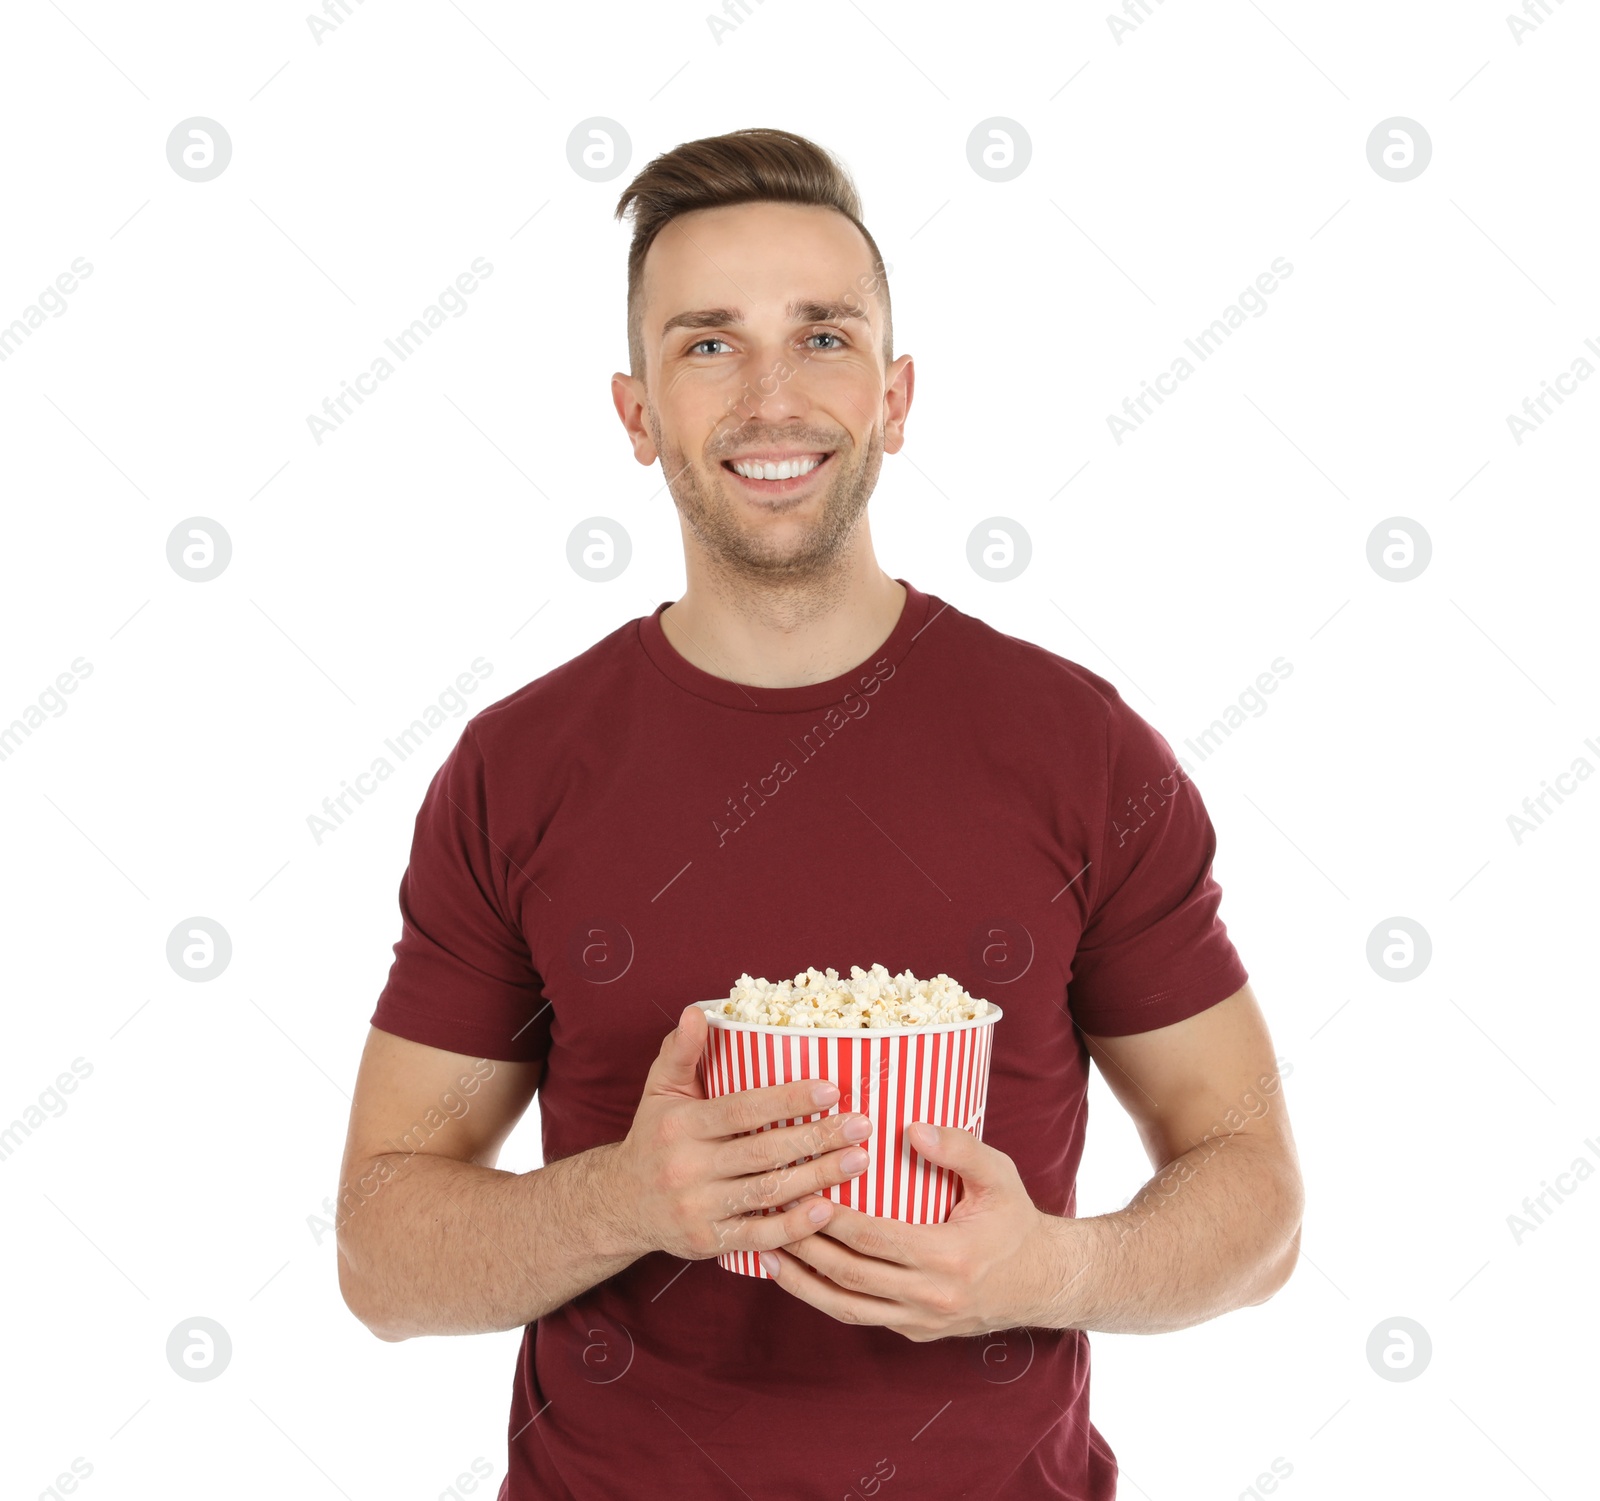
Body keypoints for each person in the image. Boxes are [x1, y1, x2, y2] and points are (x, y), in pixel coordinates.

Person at [335, 126, 1304, 1500]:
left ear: (898, 397)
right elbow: (381, 1255)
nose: (772, 397)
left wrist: (1054, 1267)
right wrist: (627, 1196)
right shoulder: (520, 768)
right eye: (710, 345)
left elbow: (1255, 1194)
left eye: (826, 337)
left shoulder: (1080, 749)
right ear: (635, 413)